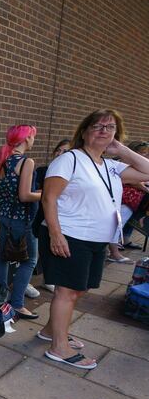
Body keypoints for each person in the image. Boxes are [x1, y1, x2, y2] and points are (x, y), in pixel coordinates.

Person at [39, 109, 149, 369]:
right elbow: (48, 198)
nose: (103, 130)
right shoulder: (70, 159)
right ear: (84, 132)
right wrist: (56, 233)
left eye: (110, 127)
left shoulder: (111, 165)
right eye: (97, 126)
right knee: (67, 290)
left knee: (79, 288)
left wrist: (120, 149)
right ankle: (59, 347)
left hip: (97, 239)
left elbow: (146, 171)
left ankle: (51, 331)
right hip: (70, 235)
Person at [0, 125, 41, 319]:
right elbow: (25, 196)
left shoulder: (3, 161)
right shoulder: (27, 162)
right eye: (33, 136)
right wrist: (44, 194)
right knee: (29, 261)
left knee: (3, 257)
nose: (34, 140)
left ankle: (0, 297)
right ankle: (17, 303)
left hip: (5, 217)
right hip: (22, 220)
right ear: (26, 139)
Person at [34, 139, 72, 293]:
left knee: (53, 250)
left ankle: (47, 279)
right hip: (40, 214)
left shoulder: (72, 173)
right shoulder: (43, 170)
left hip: (61, 216)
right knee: (35, 251)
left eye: (65, 152)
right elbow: (35, 191)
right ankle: (25, 283)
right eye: (59, 150)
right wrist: (51, 193)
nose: (60, 154)